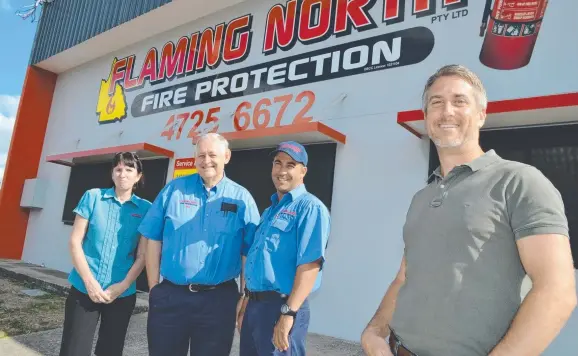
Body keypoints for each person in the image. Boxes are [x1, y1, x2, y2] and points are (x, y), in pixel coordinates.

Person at [360, 64, 577, 356]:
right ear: (426, 118)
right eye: (436, 103)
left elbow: (557, 291)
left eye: (459, 101)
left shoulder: (519, 181)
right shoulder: (422, 197)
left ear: (481, 115)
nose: (446, 111)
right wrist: (374, 331)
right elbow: (403, 277)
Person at [138, 132, 260, 356]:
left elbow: (248, 253)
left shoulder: (242, 199)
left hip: (219, 301)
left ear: (227, 156)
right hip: (171, 296)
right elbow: (152, 237)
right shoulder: (173, 191)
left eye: (212, 154)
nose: (206, 161)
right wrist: (154, 286)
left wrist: (245, 296)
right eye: (201, 155)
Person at [239, 141, 331, 356]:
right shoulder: (270, 211)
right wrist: (246, 301)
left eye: (290, 165)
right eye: (277, 163)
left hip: (281, 307)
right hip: (255, 307)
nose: (282, 171)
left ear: (303, 171)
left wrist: (288, 313)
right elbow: (258, 261)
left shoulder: (310, 208)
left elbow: (310, 264)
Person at [59, 152, 151, 356]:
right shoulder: (93, 197)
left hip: (121, 293)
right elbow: (75, 242)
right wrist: (89, 282)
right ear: (112, 173)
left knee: (111, 350)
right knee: (74, 350)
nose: (122, 174)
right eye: (118, 169)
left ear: (138, 176)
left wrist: (123, 286)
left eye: (129, 169)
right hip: (84, 289)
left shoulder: (146, 209)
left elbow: (142, 256)